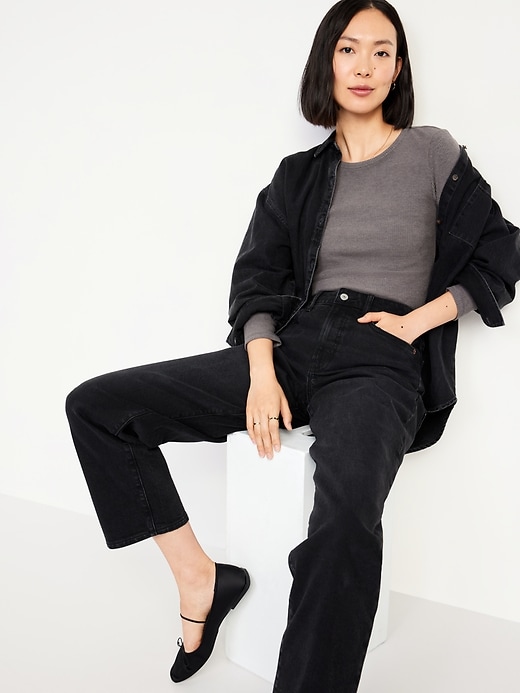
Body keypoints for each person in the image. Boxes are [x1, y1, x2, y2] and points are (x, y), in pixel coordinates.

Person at [65, 1, 520, 691]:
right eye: (348, 49)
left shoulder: (432, 152)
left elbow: (502, 251)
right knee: (99, 408)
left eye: (381, 51)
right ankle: (199, 578)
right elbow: (257, 280)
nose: (364, 65)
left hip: (379, 360)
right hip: (290, 347)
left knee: (344, 524)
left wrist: (417, 322)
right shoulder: (296, 175)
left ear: (398, 69)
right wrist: (260, 370)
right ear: (325, 62)